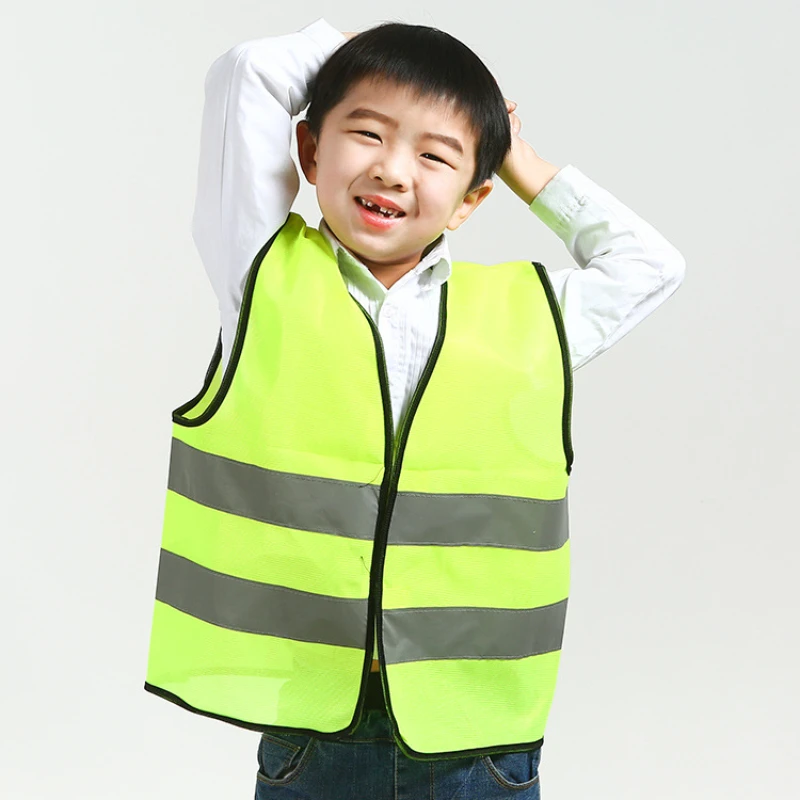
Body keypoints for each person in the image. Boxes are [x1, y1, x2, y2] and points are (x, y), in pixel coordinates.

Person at [144, 17, 686, 800]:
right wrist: (354, 48)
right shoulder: (260, 275)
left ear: (471, 199)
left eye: (434, 155)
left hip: (478, 743)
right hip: (312, 726)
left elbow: (650, 265)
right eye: (366, 133)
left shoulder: (530, 313)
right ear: (308, 153)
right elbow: (248, 74)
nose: (394, 170)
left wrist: (518, 159)